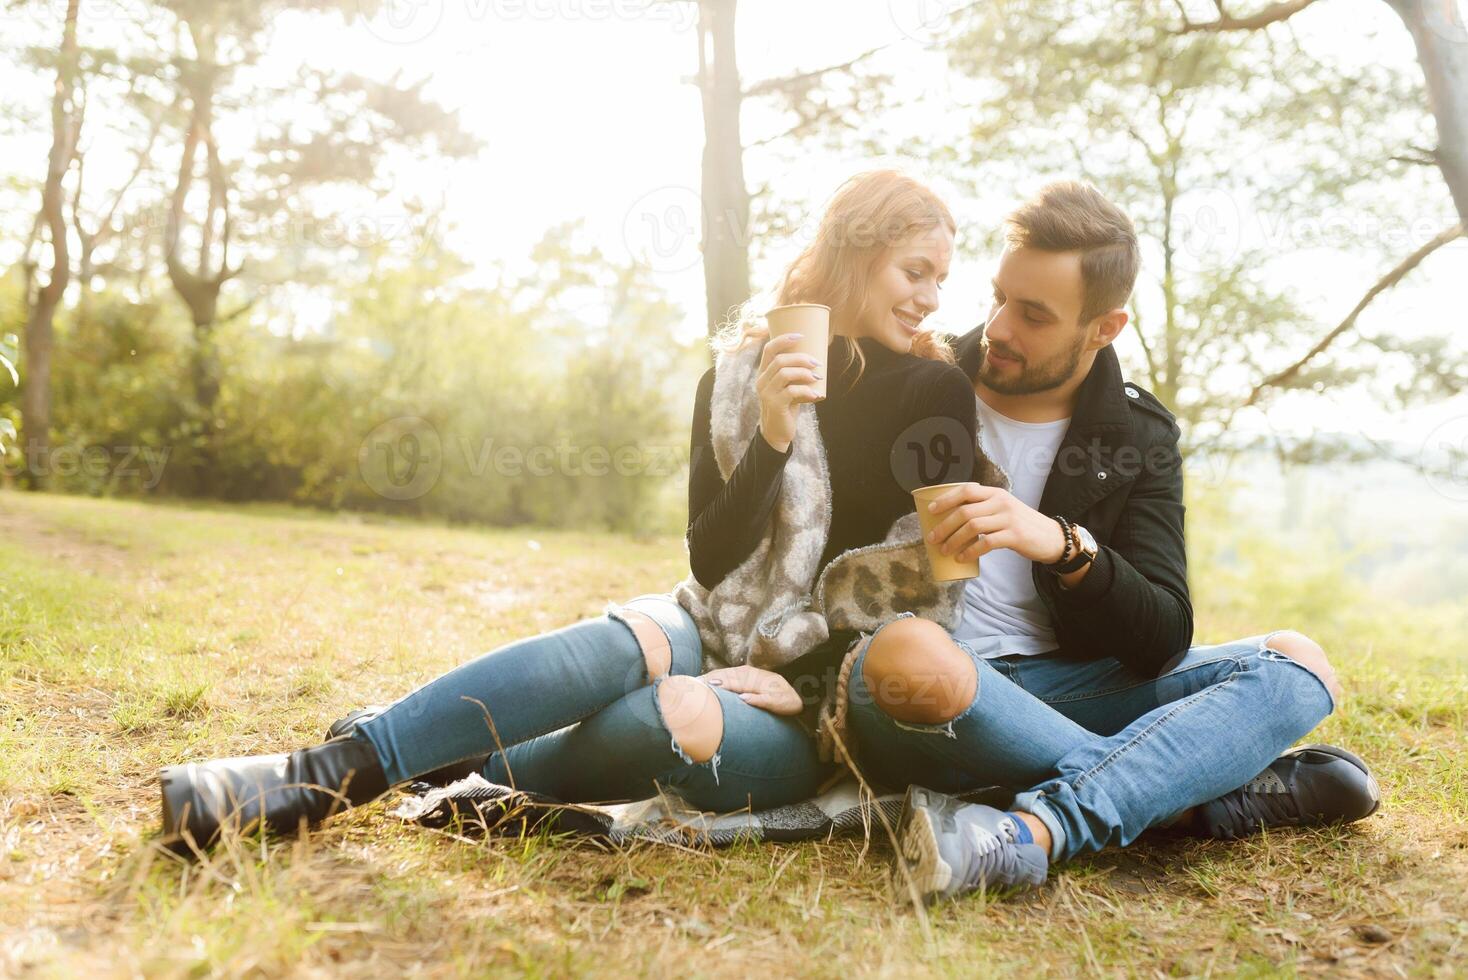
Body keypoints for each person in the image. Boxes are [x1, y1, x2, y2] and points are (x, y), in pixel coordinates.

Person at [158, 169, 999, 851]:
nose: (929, 297)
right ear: (851, 258)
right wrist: (774, 436)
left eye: (939, 279)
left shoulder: (936, 393)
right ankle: (324, 774)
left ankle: (460, 759)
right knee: (631, 637)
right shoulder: (736, 381)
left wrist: (807, 688)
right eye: (912, 272)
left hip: (820, 706)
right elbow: (710, 564)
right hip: (713, 624)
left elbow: (935, 593)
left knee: (681, 710)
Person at [829, 181, 1380, 901]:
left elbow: (1163, 635)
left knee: (1299, 662)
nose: (998, 327)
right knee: (909, 651)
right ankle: (1187, 794)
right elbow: (809, 549)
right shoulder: (915, 377)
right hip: (922, 691)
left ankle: (1035, 832)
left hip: (1067, 693)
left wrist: (1064, 545)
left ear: (1104, 327)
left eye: (1033, 315)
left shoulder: (1138, 437)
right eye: (998, 297)